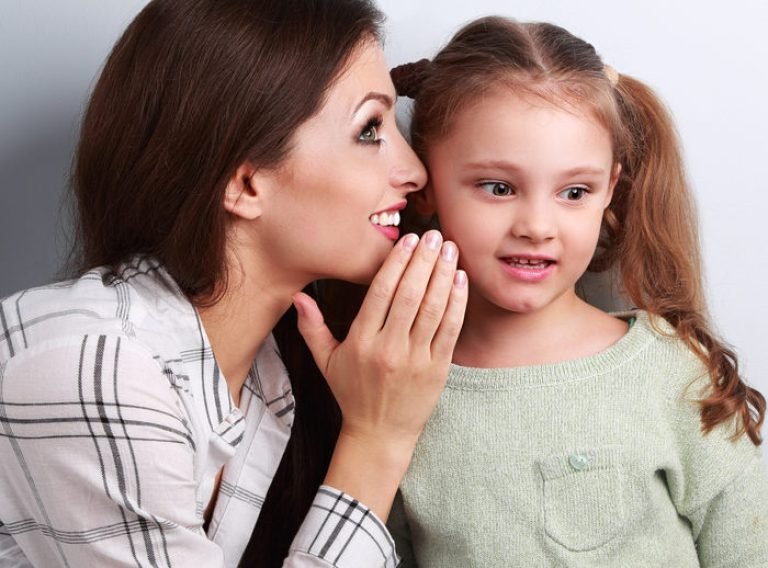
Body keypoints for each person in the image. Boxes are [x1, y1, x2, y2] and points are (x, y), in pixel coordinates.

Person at [0, 1, 469, 566]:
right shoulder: (91, 363)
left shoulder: (268, 380)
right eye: (370, 129)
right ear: (245, 185)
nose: (415, 172)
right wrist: (377, 438)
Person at [387, 16, 768, 566]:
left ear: (609, 189)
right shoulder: (396, 386)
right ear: (426, 182)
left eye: (573, 191)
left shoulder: (673, 373)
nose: (537, 225)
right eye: (498, 187)